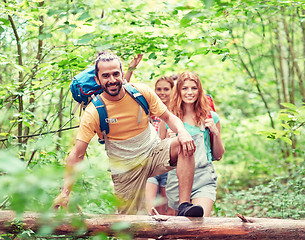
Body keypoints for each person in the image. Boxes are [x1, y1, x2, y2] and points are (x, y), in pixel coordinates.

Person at [54, 51, 204, 217]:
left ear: (122, 73)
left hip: (153, 153)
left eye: (115, 74)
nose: (112, 80)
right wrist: (65, 193)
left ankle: (184, 206)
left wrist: (182, 132)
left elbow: (168, 117)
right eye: (105, 76)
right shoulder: (94, 112)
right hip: (125, 170)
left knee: (185, 143)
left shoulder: (140, 93)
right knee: (132, 227)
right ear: (97, 80)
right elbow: (77, 153)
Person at [159, 71, 225, 217]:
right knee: (181, 230)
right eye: (185, 88)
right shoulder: (169, 119)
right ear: (178, 91)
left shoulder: (210, 117)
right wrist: (168, 142)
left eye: (194, 88)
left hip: (204, 178)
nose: (190, 92)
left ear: (199, 90)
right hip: (176, 181)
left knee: (199, 222)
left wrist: (215, 132)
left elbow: (218, 155)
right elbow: (162, 160)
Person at [146, 76, 175, 215]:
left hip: (169, 166)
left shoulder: (175, 114)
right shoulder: (149, 110)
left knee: (167, 211)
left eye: (166, 89)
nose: (162, 92)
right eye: (159, 89)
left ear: (173, 91)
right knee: (150, 208)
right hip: (150, 164)